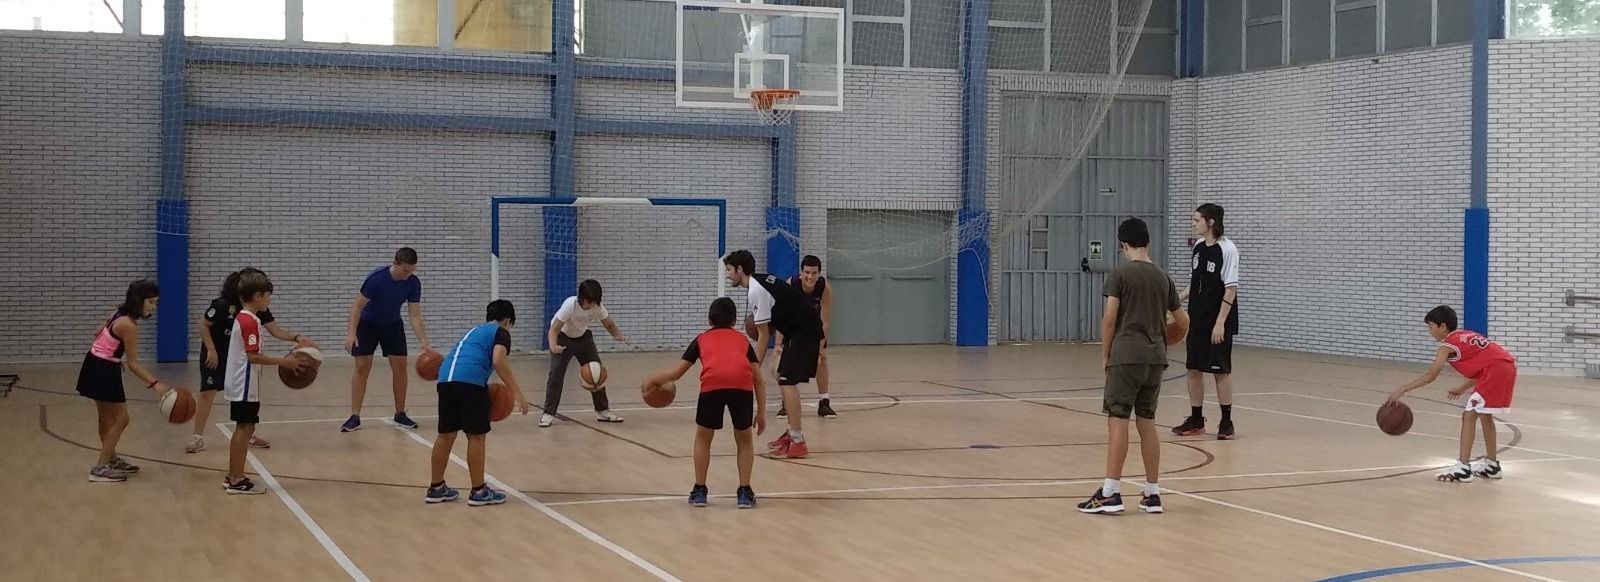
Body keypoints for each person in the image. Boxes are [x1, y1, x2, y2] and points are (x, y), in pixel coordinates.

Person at [1077, 218, 1187, 515]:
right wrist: (1165, 341)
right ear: (1148, 242)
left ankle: (1110, 492)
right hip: (1155, 360)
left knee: (1118, 420)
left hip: (1126, 356)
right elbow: (1183, 322)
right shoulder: (1163, 277)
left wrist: (1105, 353)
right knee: (1147, 422)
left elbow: (1110, 318)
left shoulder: (1120, 274)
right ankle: (1152, 494)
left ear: (1123, 245)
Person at [641, 297, 768, 508]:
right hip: (741, 385)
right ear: (734, 321)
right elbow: (759, 380)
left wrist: (652, 380)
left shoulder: (701, 339)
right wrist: (761, 413)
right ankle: (744, 492)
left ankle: (700, 490)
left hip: (712, 385)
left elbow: (676, 373)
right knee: (744, 439)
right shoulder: (743, 341)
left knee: (703, 437)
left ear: (709, 320)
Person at [191, 267, 316, 453]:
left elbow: (275, 330)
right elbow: (203, 324)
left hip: (240, 355)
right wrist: (210, 349)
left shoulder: (257, 309)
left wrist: (297, 338)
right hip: (216, 353)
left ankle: (248, 433)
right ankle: (197, 437)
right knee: (208, 392)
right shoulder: (223, 304)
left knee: (247, 396)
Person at [1388, 306, 1517, 483]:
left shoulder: (1446, 346)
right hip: (1505, 367)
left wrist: (1402, 389)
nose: (1429, 331)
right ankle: (1492, 465)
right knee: (1485, 415)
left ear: (1442, 326)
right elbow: (1485, 365)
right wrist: (1463, 388)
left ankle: (1463, 468)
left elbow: (1431, 375)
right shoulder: (1465, 335)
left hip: (1496, 370)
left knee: (1469, 415)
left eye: (1430, 327)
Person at [425, 300, 530, 506]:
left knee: (445, 435)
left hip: (445, 380)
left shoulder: (474, 332)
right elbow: (499, 360)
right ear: (508, 321)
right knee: (476, 437)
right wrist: (517, 393)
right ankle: (479, 491)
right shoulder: (501, 332)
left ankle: (436, 487)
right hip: (470, 382)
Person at [723, 250, 823, 459]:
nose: (727, 274)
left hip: (804, 330)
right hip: (796, 328)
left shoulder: (756, 290)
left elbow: (762, 335)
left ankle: (797, 441)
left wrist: (752, 367)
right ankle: (791, 431)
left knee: (787, 381)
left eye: (729, 269)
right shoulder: (759, 282)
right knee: (781, 376)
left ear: (740, 269)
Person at [77, 280, 171, 483]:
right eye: (151, 302)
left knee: (105, 416)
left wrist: (109, 352)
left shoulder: (117, 313)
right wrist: (155, 383)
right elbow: (134, 364)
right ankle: (100, 467)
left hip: (94, 363)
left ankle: (110, 458)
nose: (153, 307)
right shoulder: (129, 325)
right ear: (139, 301)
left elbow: (97, 333)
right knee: (122, 418)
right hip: (104, 369)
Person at [223, 272, 307, 495]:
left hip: (243, 382)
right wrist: (285, 362)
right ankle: (236, 479)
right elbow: (253, 357)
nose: (269, 301)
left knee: (245, 428)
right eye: (268, 296)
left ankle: (234, 475)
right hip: (244, 383)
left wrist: (294, 339)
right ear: (257, 296)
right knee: (244, 428)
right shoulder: (250, 321)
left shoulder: (244, 317)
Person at [1171, 203, 1242, 440]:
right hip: (1197, 319)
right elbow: (1194, 285)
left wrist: (1220, 322)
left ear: (1210, 222)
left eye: (1196, 219)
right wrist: (1172, 301)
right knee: (1193, 368)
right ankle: (1196, 419)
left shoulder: (1228, 249)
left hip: (1217, 319)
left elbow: (1230, 289)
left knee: (1220, 370)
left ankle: (1226, 421)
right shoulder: (1199, 248)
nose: (1193, 223)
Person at [342, 247, 432, 432]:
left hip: (392, 324)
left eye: (412, 270)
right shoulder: (377, 279)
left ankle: (400, 413)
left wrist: (423, 340)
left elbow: (414, 315)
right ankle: (354, 416)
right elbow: (357, 306)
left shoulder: (413, 283)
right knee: (362, 368)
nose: (409, 274)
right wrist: (351, 333)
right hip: (367, 324)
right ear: (396, 264)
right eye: (406, 270)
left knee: (400, 368)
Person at [540, 279, 628, 428]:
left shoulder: (598, 307)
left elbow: (609, 323)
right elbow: (553, 329)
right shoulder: (570, 305)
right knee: (556, 373)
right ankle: (548, 414)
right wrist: (553, 346)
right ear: (582, 298)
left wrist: (617, 335)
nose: (592, 305)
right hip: (562, 337)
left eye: (595, 302)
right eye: (590, 301)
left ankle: (603, 411)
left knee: (597, 371)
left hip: (583, 338)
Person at [778, 254, 836, 419]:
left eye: (814, 273)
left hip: (814, 327)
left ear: (819, 273)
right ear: (801, 272)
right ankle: (786, 403)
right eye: (807, 272)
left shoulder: (824, 288)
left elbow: (825, 322)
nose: (810, 276)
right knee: (785, 362)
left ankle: (824, 402)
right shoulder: (791, 284)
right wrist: (779, 344)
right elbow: (783, 316)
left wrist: (818, 350)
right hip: (793, 325)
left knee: (822, 359)